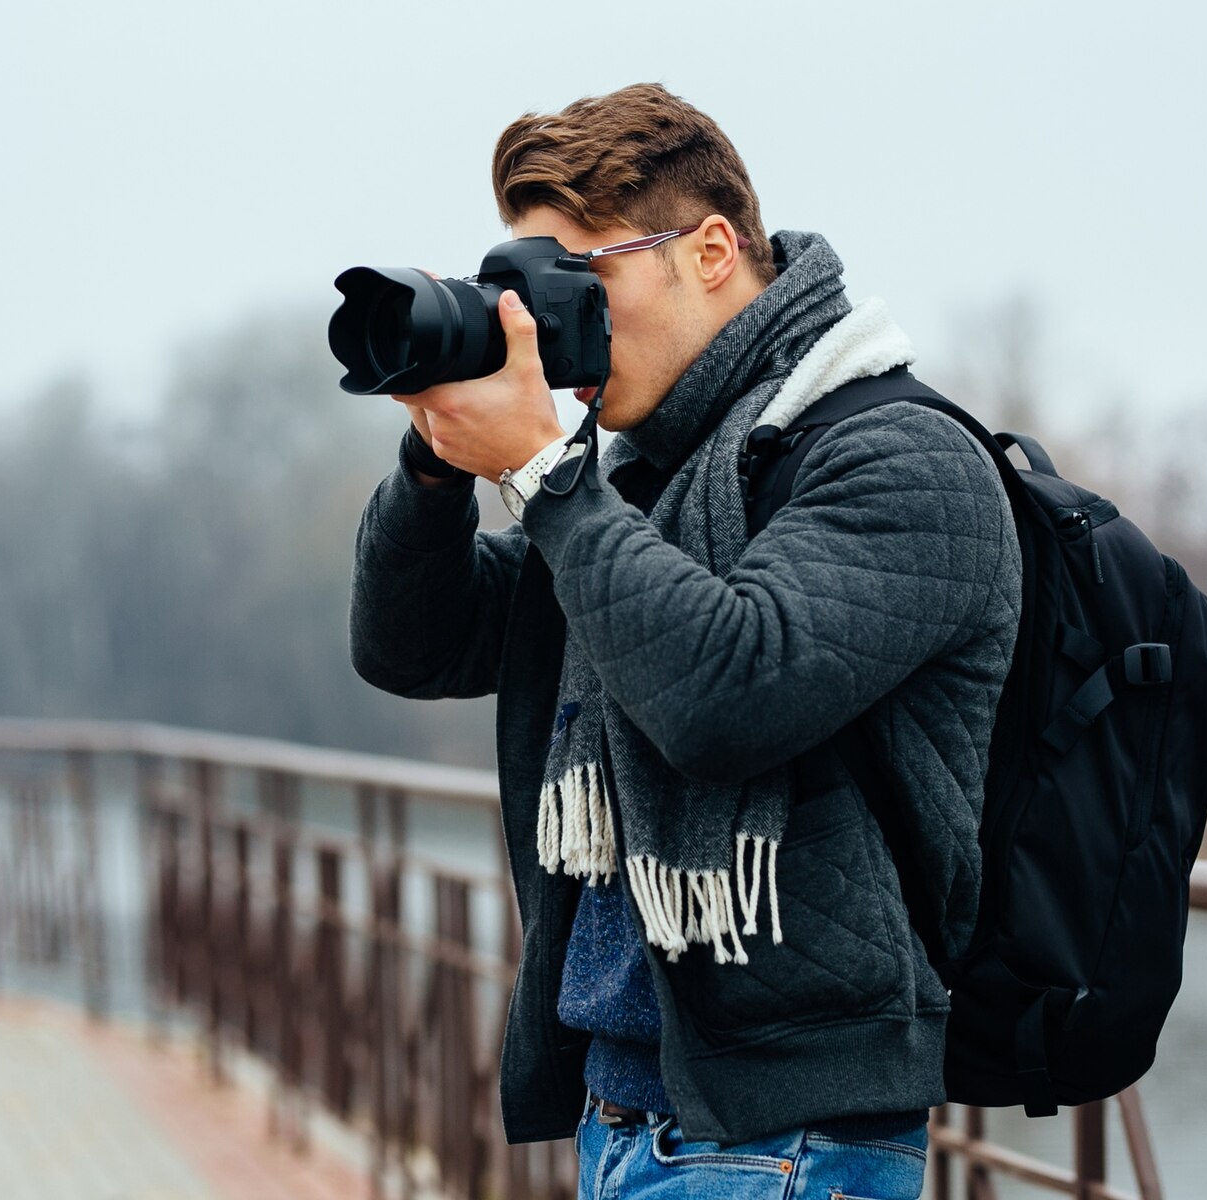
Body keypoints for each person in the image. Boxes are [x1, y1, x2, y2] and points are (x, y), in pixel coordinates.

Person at [349, 83, 1021, 1200]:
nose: (561, 325)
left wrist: (551, 479)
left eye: (584, 280)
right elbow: (417, 646)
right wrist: (435, 461)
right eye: (527, 289)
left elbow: (727, 691)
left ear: (712, 250)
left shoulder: (900, 457)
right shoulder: (644, 489)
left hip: (788, 1138)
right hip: (626, 1121)